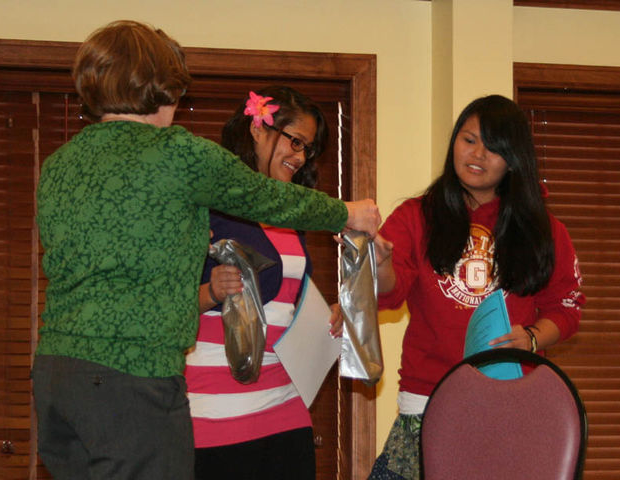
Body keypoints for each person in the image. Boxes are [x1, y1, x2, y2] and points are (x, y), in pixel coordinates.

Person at [32, 21, 381, 480]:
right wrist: (347, 212)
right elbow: (265, 196)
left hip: (57, 379)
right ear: (162, 87)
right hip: (132, 377)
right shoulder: (176, 152)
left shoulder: (60, 164)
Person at [367, 95, 585, 480]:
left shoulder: (545, 230)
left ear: (513, 159)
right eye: (468, 140)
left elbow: (566, 308)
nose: (478, 154)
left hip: (512, 403)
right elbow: (389, 293)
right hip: (427, 400)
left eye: (494, 148)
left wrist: (532, 339)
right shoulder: (417, 216)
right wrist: (379, 263)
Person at [184, 86, 343, 480]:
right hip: (215, 405)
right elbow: (163, 302)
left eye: (307, 148)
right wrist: (212, 291)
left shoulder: (291, 210)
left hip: (285, 401)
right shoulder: (209, 202)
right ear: (258, 129)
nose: (300, 156)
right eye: (294, 141)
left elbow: (292, 299)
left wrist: (333, 314)